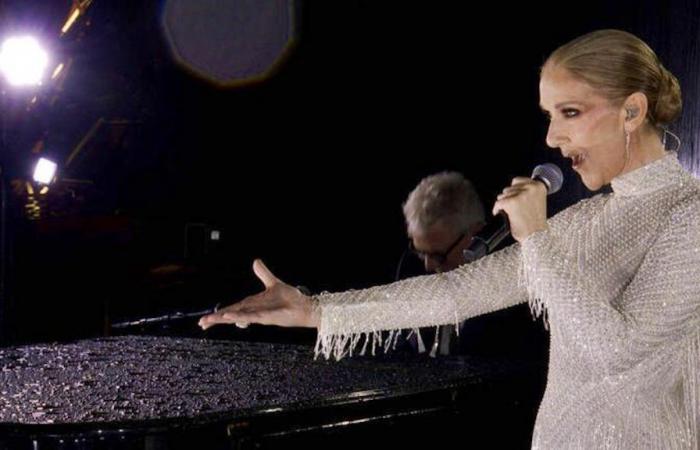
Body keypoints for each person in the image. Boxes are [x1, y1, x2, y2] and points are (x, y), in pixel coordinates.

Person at [200, 29, 699, 448]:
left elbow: (620, 350)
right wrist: (315, 311)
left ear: (632, 111)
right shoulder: (584, 221)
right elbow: (456, 292)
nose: (550, 137)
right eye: (549, 116)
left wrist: (536, 238)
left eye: (569, 113)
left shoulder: (690, 214)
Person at [400, 171, 485, 355]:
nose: (428, 266)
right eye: (421, 253)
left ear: (474, 235)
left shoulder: (510, 284)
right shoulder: (410, 267)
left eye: (438, 255)